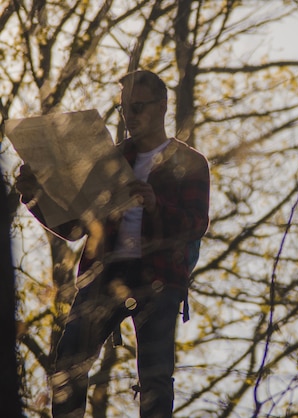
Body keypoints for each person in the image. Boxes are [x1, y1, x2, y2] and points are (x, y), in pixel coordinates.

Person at [16, 70, 210, 418]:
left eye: (138, 106)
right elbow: (75, 226)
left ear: (163, 106)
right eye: (124, 109)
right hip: (104, 272)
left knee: (155, 373)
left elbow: (196, 224)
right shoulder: (110, 160)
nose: (130, 116)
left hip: (160, 276)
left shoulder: (190, 162)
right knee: (70, 357)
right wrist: (34, 197)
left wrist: (155, 206)